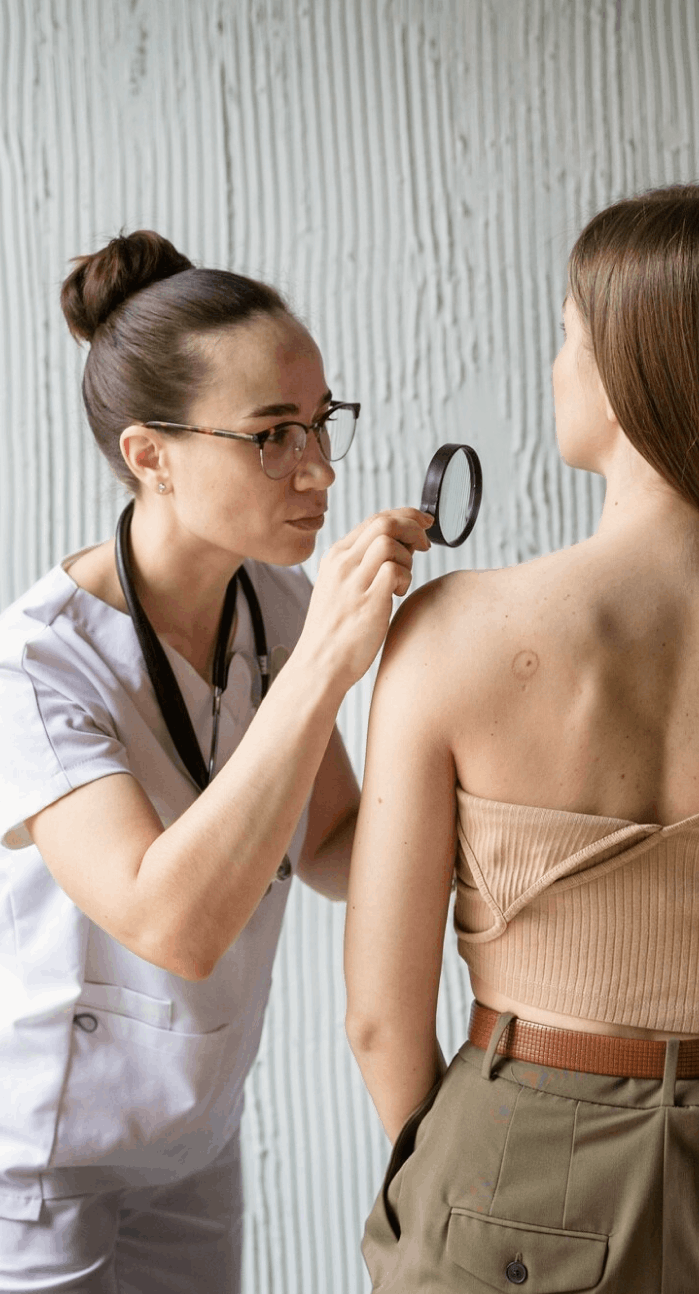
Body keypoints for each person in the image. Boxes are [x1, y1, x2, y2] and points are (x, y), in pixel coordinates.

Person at [344, 182, 699, 1293]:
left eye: (566, 334)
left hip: (511, 1167)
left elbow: (382, 1021)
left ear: (636, 371)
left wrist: (447, 1168)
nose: (553, 365)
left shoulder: (453, 631)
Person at [0, 230, 432, 1292]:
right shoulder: (37, 666)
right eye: (273, 435)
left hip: (194, 1134)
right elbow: (175, 925)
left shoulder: (273, 601)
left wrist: (501, 791)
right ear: (150, 454)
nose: (321, 469)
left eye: (321, 422)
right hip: (41, 1160)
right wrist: (330, 665)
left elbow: (330, 839)